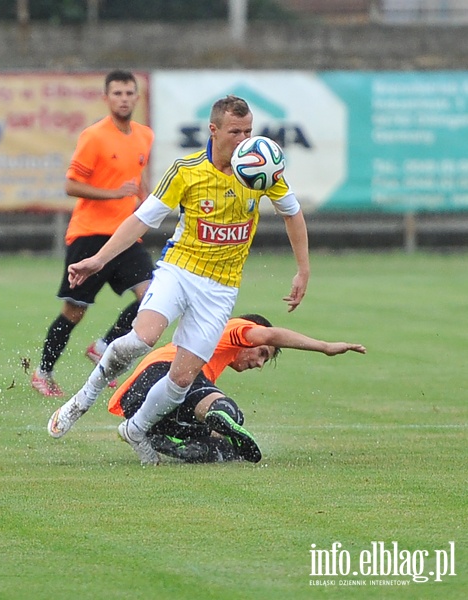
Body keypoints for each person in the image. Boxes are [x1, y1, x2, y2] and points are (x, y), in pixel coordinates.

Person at [47, 95, 311, 465]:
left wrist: (303, 269)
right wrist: (98, 259)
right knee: (144, 337)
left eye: (249, 131)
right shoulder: (187, 170)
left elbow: (293, 215)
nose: (243, 139)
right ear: (213, 130)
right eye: (235, 131)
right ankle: (84, 397)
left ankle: (135, 429)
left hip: (220, 289)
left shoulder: (261, 171)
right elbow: (142, 219)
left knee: (182, 379)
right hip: (180, 270)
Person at [31, 69, 156, 398]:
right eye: (117, 94)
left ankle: (103, 346)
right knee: (75, 312)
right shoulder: (94, 136)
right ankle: (43, 372)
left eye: (129, 93)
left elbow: (136, 178)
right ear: (106, 98)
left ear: (137, 98)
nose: (124, 99)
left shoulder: (144, 135)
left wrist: (144, 201)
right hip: (89, 235)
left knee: (153, 297)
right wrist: (115, 194)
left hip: (126, 236)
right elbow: (71, 184)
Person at [105, 314, 366, 463]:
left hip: (135, 400)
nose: (260, 363)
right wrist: (325, 346)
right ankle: (224, 417)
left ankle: (161, 440)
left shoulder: (211, 351)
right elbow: (270, 334)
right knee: (229, 414)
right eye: (262, 353)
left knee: (225, 449)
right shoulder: (232, 328)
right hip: (168, 370)